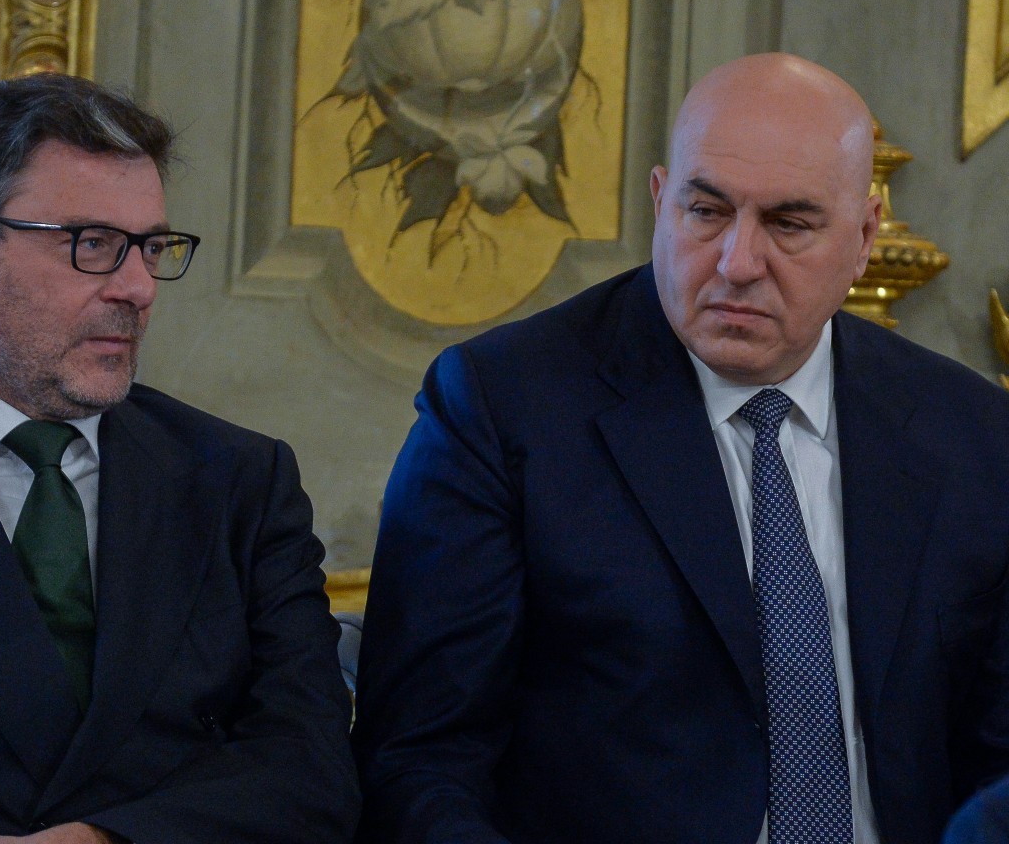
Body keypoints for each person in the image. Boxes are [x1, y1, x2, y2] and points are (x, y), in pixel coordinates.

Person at [352, 52, 1009, 844]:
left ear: (865, 235)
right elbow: (420, 761)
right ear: (661, 200)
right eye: (706, 212)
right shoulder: (504, 409)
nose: (737, 263)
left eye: (789, 224)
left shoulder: (973, 435)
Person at [0, 74, 359, 844]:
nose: (138, 288)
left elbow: (310, 770)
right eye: (93, 245)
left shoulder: (240, 481)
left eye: (152, 247)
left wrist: (102, 841)